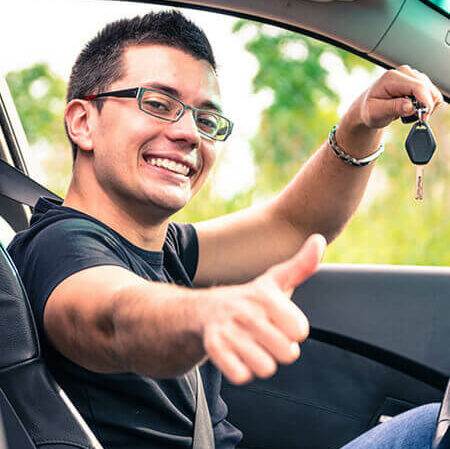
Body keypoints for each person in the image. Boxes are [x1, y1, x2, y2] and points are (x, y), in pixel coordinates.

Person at [7, 10, 443, 449]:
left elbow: (293, 225)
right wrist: (204, 314)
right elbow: (110, 318)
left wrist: (360, 122)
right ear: (83, 122)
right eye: (158, 104)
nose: (189, 134)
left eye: (206, 120)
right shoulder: (60, 246)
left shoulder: (163, 246)